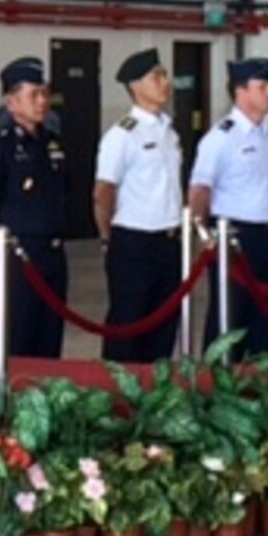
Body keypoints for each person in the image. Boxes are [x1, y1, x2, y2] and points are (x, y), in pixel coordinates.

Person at [0, 57, 70, 360]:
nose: (42, 102)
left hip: (53, 254)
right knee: (16, 338)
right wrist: (1, 236)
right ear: (11, 102)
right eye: (33, 95)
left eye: (45, 93)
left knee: (49, 338)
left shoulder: (52, 142)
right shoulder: (0, 145)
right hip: (20, 255)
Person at [93, 48, 184, 363]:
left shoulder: (168, 132)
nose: (164, 82)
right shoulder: (122, 135)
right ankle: (119, 394)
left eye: (164, 75)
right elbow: (104, 192)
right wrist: (108, 238)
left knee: (163, 324)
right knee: (129, 323)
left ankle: (155, 393)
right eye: (156, 76)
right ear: (135, 86)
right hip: (134, 240)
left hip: (169, 240)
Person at [189, 58, 268, 360]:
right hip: (233, 237)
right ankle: (215, 386)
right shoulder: (221, 138)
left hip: (265, 235)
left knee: (263, 318)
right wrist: (206, 238)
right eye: (262, 86)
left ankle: (258, 384)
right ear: (241, 92)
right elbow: (199, 190)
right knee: (229, 320)